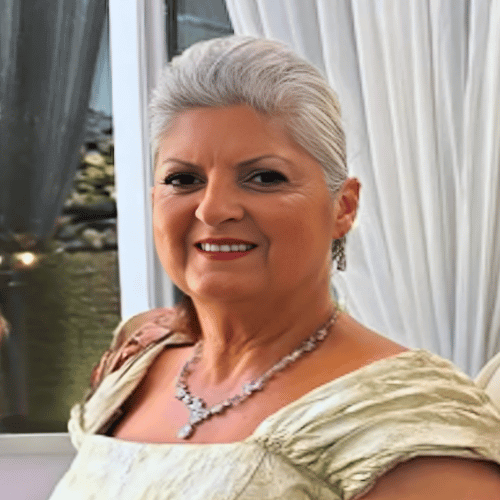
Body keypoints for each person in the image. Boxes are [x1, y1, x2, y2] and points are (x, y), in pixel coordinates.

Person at [49, 36, 500, 500]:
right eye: (183, 179)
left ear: (343, 207)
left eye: (264, 177)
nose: (213, 209)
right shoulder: (137, 364)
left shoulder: (409, 421)